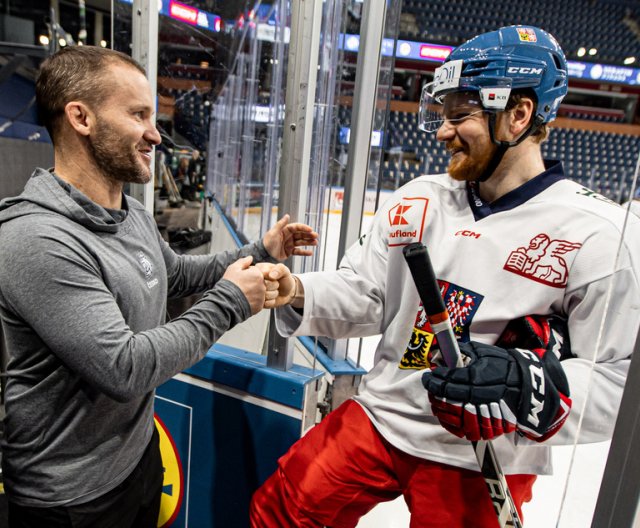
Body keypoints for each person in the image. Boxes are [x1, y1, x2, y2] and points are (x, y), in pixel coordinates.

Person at [250, 25, 640, 527]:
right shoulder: (420, 197)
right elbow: (367, 294)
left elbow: (618, 381)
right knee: (279, 510)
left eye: (459, 115)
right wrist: (298, 289)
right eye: (441, 115)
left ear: (518, 114)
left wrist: (526, 384)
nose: (440, 131)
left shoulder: (598, 235)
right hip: (383, 416)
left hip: (482, 453)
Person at [0, 45, 317, 528]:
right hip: (70, 498)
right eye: (138, 115)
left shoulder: (130, 213)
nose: (155, 134)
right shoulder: (36, 240)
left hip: (136, 459)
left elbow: (176, 277)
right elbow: (124, 367)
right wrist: (232, 301)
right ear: (81, 118)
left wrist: (263, 248)